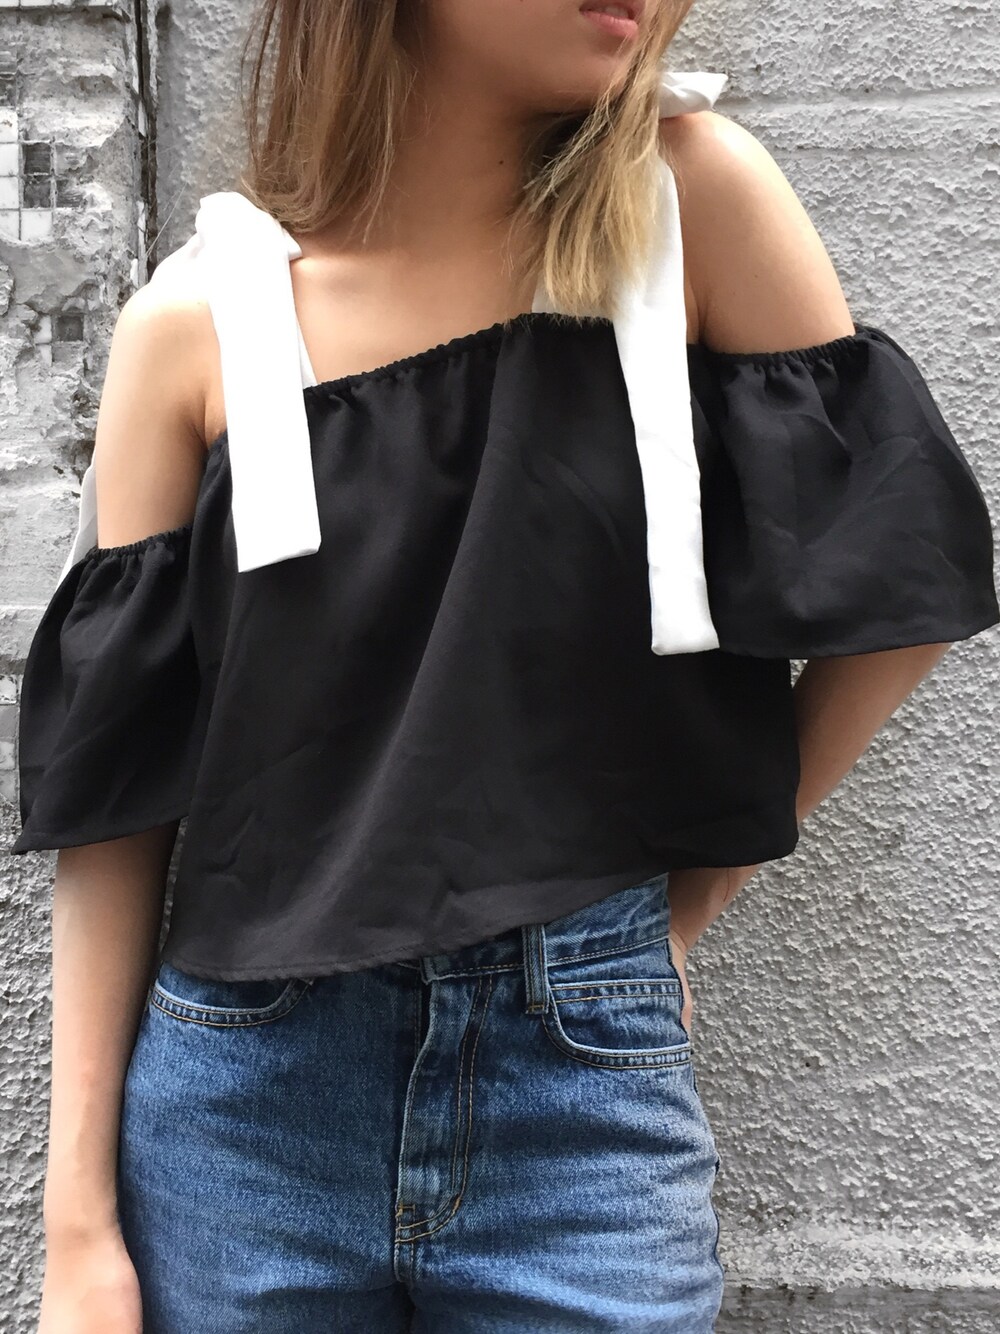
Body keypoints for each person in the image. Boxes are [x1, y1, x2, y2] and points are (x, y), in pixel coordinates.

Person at [15, 2, 997, 1331]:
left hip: (581, 1109)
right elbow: (116, 805)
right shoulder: (192, 327)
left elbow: (900, 582)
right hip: (245, 1119)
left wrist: (677, 913)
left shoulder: (683, 204)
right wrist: (78, 1228)